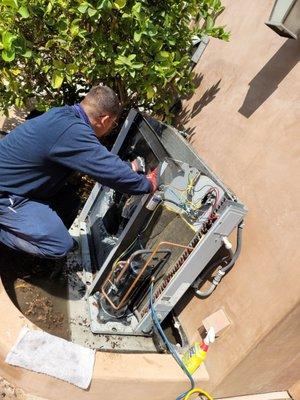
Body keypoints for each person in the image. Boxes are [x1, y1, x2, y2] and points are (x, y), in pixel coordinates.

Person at [0, 85, 157, 259]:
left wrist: (129, 168)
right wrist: (147, 184)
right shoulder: (70, 130)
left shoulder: (64, 116)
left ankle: (35, 243)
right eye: (113, 123)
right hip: (6, 194)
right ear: (104, 119)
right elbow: (105, 168)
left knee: (70, 200)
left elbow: (93, 159)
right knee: (59, 246)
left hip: (20, 186)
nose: (112, 127)